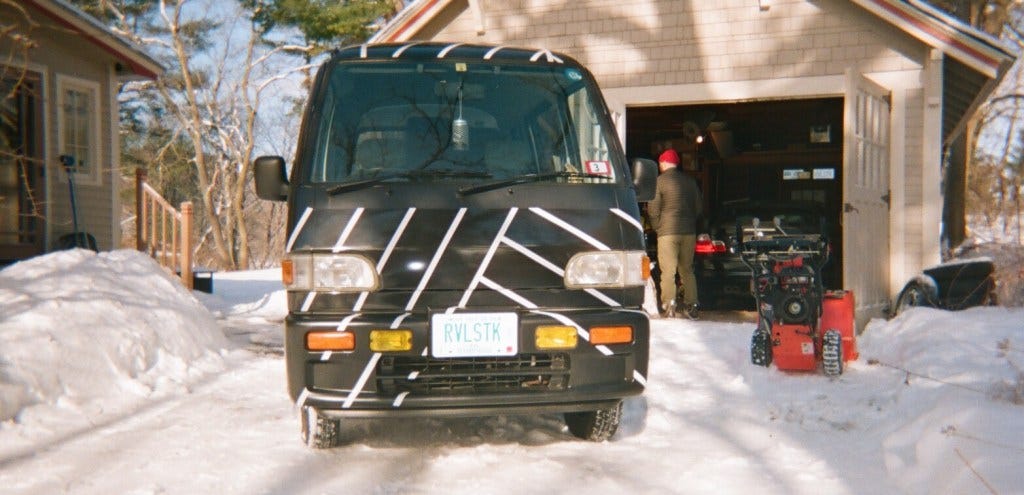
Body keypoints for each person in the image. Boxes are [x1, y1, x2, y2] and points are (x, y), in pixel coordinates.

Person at [647, 149, 703, 319]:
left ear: (664, 163)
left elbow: (653, 209)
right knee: (687, 270)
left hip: (667, 233)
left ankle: (669, 304)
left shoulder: (659, 182)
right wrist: (690, 222)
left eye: (660, 163)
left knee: (668, 271)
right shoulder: (690, 182)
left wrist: (657, 227)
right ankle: (692, 305)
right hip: (688, 232)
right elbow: (699, 208)